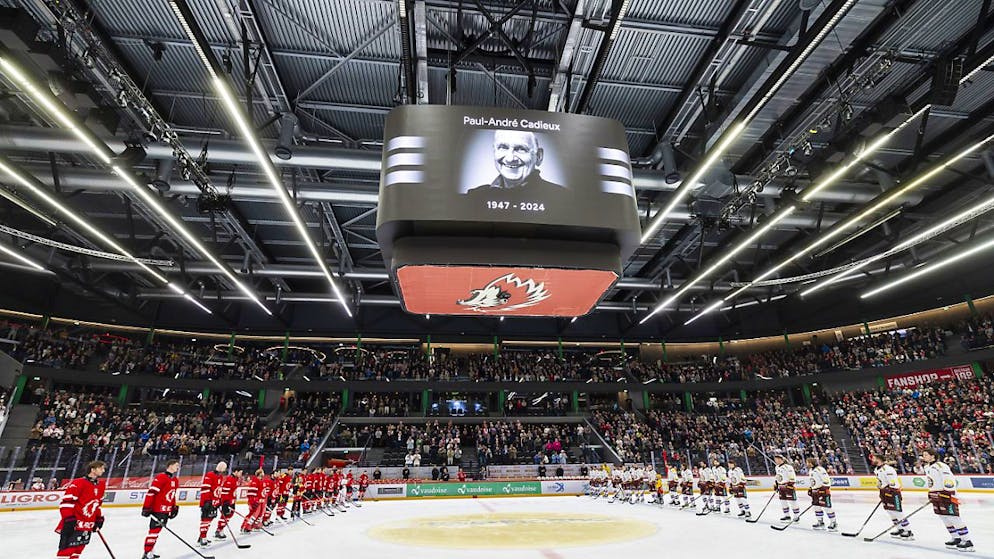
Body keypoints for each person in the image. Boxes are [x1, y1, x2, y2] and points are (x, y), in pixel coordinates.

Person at [464, 130, 566, 200]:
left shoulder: (561, 197)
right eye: (503, 147)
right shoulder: (475, 196)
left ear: (539, 156)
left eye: (521, 149)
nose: (510, 158)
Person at [922, 448, 974, 552]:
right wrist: (931, 493)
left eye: (926, 455)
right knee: (943, 516)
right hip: (936, 495)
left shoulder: (941, 466)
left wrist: (947, 492)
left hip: (946, 495)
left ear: (933, 456)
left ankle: (967, 540)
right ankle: (956, 537)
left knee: (953, 517)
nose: (924, 457)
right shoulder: (927, 467)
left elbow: (949, 480)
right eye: (923, 455)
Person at [55, 460, 106, 559]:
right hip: (75, 523)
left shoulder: (101, 485)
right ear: (93, 469)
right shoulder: (78, 482)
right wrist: (68, 518)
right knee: (67, 550)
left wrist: (98, 518)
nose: (103, 471)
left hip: (88, 523)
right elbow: (66, 502)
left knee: (78, 549)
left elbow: (97, 504)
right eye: (101, 468)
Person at [141, 459, 180, 559]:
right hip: (158, 510)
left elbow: (172, 495)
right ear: (170, 465)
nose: (178, 467)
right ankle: (146, 553)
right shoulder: (161, 477)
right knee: (153, 532)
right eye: (176, 465)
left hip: (166, 510)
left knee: (156, 532)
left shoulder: (175, 480)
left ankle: (151, 551)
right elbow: (152, 492)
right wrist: (147, 507)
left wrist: (173, 507)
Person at [872, 454, 913, 540]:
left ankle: (908, 531)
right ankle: (900, 529)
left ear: (879, 459)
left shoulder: (888, 469)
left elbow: (893, 483)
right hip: (884, 492)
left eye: (874, 458)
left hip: (893, 493)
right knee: (890, 511)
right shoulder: (876, 470)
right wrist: (880, 486)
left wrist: (888, 490)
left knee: (898, 512)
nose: (872, 459)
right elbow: (881, 481)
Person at [197, 460, 227, 546]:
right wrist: (207, 501)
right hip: (208, 503)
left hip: (214, 503)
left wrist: (219, 501)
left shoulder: (220, 477)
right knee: (205, 521)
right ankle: (203, 538)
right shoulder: (210, 475)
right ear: (220, 467)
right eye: (224, 468)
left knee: (209, 521)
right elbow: (205, 489)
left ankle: (202, 537)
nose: (225, 470)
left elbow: (218, 490)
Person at [807, 458, 837, 531]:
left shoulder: (820, 470)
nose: (807, 464)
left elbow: (826, 481)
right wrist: (811, 488)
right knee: (816, 507)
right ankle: (820, 522)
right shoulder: (811, 470)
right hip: (815, 492)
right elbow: (813, 481)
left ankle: (833, 523)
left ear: (812, 463)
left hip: (823, 492)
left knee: (827, 507)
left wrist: (823, 489)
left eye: (808, 462)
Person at [215, 465, 242, 539]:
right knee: (225, 516)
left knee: (228, 516)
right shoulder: (230, 479)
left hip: (231, 502)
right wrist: (226, 502)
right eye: (240, 472)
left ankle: (220, 529)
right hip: (227, 502)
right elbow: (225, 492)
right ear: (236, 472)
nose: (241, 474)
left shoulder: (235, 479)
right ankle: (219, 530)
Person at [773, 452, 799, 522]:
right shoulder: (776, 467)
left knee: (792, 501)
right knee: (783, 501)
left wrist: (790, 484)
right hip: (781, 487)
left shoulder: (788, 467)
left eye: (777, 459)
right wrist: (776, 485)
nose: (776, 460)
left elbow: (792, 477)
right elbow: (777, 477)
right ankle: (787, 516)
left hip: (788, 486)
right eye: (775, 459)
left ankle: (796, 516)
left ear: (781, 459)